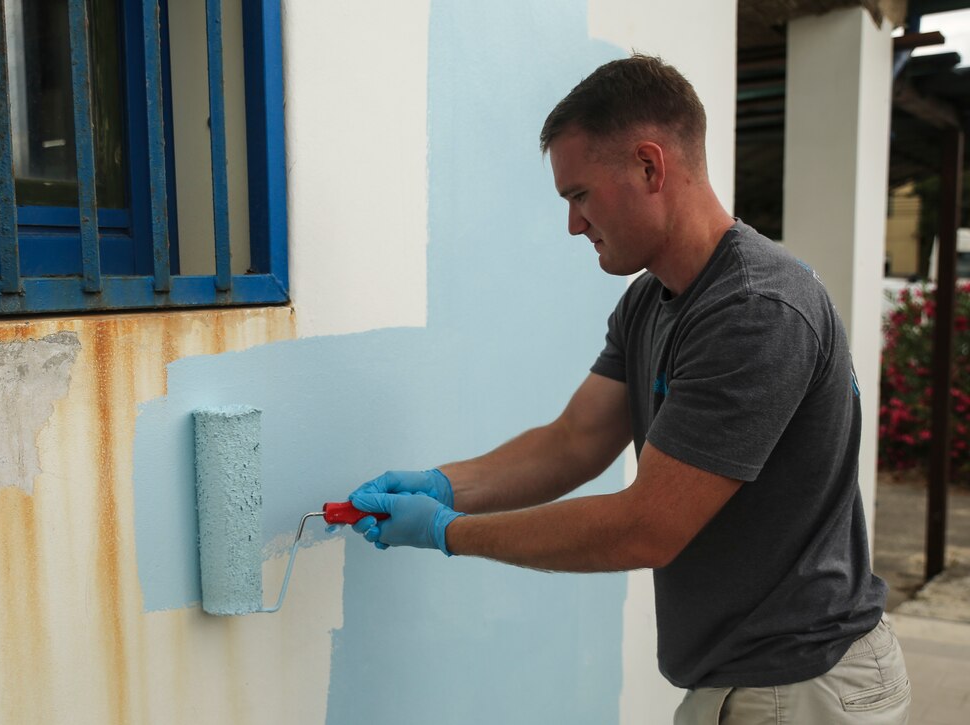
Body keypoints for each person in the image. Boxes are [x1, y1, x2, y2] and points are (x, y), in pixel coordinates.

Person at [341, 54, 910, 724]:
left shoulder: (755, 310)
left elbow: (646, 527)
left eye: (579, 194)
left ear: (649, 166)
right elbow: (573, 441)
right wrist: (441, 483)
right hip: (752, 680)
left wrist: (448, 531)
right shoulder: (652, 301)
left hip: (802, 685)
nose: (574, 225)